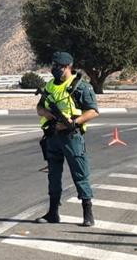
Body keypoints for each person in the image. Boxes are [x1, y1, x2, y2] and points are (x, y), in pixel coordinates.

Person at [36, 51, 100, 226]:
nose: (54, 69)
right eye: (53, 65)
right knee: (53, 177)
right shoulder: (49, 86)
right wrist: (48, 115)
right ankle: (53, 212)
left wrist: (73, 122)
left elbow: (93, 111)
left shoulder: (81, 86)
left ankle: (88, 212)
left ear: (68, 67)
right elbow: (40, 107)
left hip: (71, 136)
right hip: (52, 136)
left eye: (58, 66)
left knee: (80, 174)